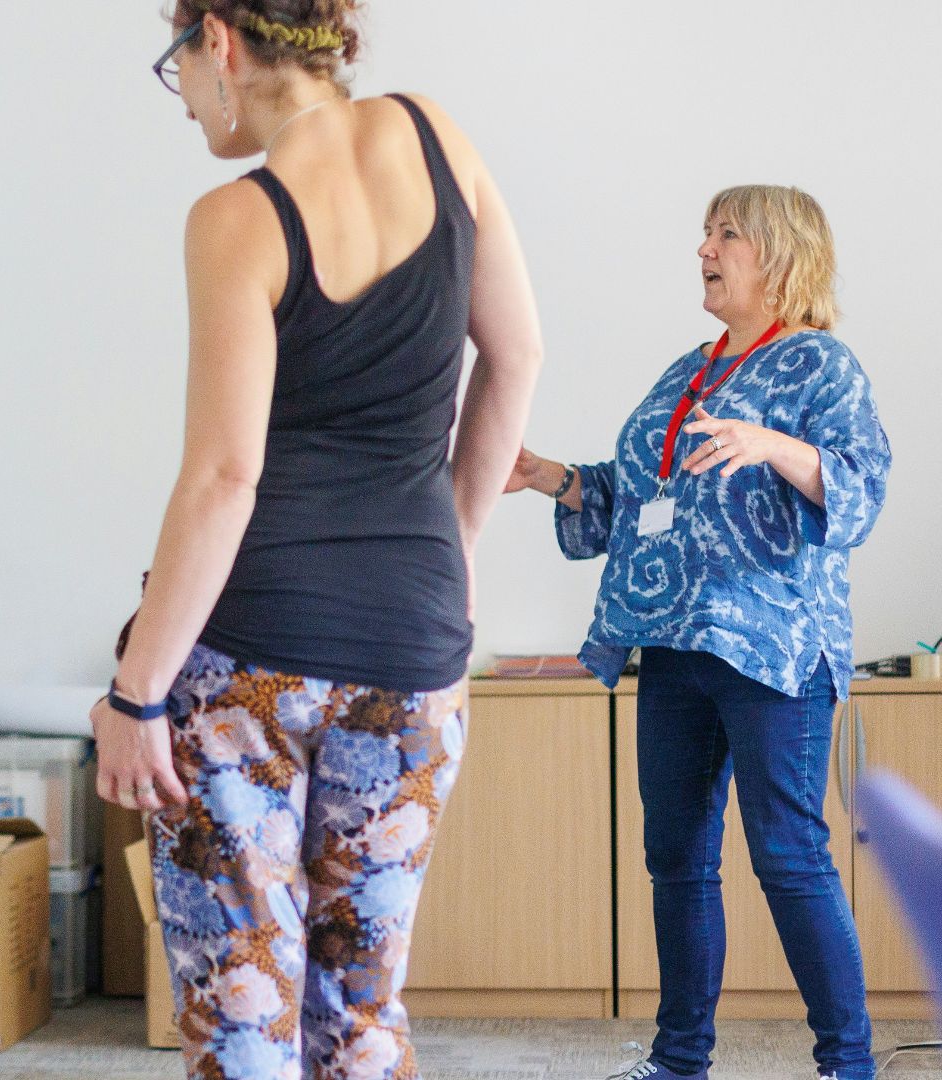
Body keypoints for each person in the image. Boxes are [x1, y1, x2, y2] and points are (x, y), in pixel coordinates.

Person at [90, 2, 543, 1077]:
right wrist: (454, 549)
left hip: (250, 657)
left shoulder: (236, 217)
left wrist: (134, 693)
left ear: (222, 43)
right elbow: (516, 358)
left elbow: (224, 476)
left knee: (248, 1007)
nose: (188, 97)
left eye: (180, 67)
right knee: (362, 1007)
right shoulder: (438, 139)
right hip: (414, 653)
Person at [507, 185, 888, 1080]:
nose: (704, 250)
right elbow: (635, 494)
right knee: (674, 856)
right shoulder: (691, 369)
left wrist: (776, 446)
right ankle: (680, 1061)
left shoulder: (824, 368)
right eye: (704, 235)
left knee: (788, 856)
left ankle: (850, 1062)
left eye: (726, 235)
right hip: (672, 644)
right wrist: (547, 475)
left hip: (774, 651)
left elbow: (861, 494)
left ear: (783, 257)